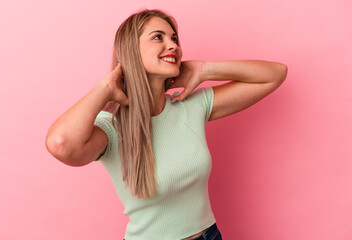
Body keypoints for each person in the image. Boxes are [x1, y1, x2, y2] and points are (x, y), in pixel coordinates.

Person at [45, 8, 287, 240]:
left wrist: (204, 69)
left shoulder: (191, 106)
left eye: (174, 39)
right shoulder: (111, 127)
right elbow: (60, 143)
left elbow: (275, 74)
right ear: (132, 51)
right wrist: (106, 88)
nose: (172, 45)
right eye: (158, 37)